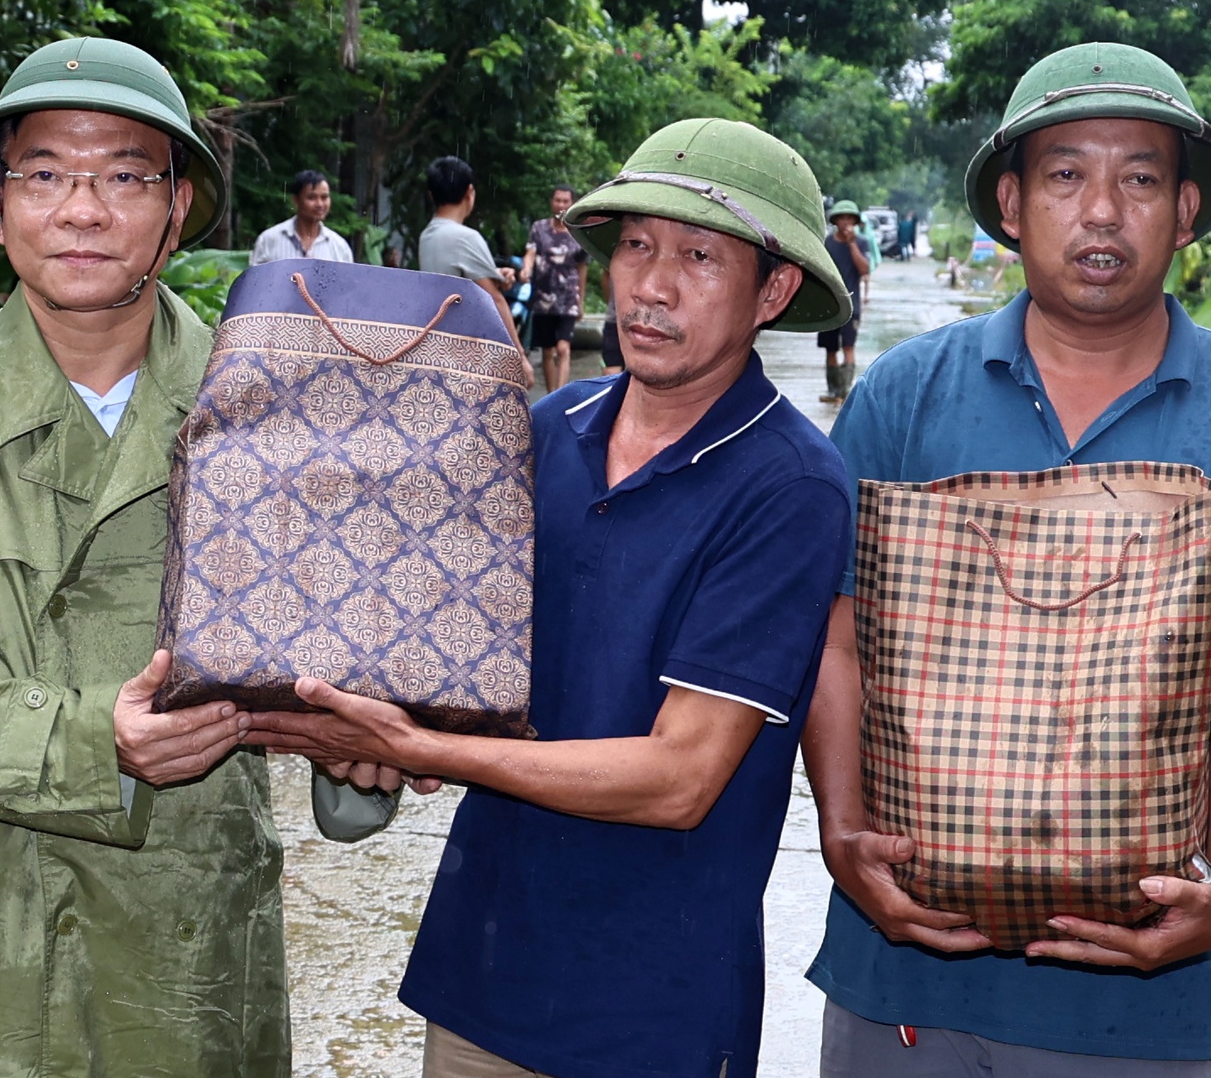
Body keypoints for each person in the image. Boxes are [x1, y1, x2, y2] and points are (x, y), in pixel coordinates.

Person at [0, 37, 388, 1078]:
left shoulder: (270, 408)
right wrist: (88, 741)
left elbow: (345, 665)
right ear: (2, 199)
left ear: (176, 209)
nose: (81, 208)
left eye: (125, 175)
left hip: (185, 935)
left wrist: (363, 745)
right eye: (44, 173)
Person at [250, 118, 857, 1077]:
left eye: (699, 256)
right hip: (481, 972)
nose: (651, 285)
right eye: (636, 247)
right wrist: (351, 716)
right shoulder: (541, 426)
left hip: (652, 1007)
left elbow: (681, 777)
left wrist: (420, 747)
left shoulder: (790, 485)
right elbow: (443, 645)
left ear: (773, 290)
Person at [803, 42, 1211, 1076]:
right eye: (1064, 175)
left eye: (1138, 178)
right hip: (900, 982)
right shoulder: (903, 394)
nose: (1100, 210)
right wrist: (841, 833)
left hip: (1131, 1006)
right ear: (1008, 205)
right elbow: (834, 633)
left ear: (1184, 212)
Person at [418, 155, 525, 352]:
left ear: (431, 195)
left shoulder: (427, 235)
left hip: (436, 339)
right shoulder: (465, 237)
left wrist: (495, 275)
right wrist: (518, 354)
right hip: (464, 346)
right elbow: (494, 299)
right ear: (469, 192)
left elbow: (456, 276)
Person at [520, 184, 590, 391]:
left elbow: (582, 269)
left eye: (565, 201)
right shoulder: (539, 228)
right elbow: (530, 253)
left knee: (563, 348)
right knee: (547, 351)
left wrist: (581, 301)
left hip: (567, 299)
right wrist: (526, 270)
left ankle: (561, 393)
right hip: (543, 298)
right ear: (552, 202)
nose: (561, 204)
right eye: (557, 200)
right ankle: (552, 396)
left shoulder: (578, 233)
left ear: (572, 203)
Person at [820, 200, 870, 404]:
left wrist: (851, 244)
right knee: (830, 348)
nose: (846, 222)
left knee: (848, 347)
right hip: (828, 304)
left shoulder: (862, 243)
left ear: (855, 221)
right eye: (842, 218)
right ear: (835, 221)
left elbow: (865, 269)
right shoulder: (827, 243)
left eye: (850, 218)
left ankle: (845, 390)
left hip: (852, 305)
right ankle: (833, 390)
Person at [250, 169, 354, 264]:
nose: (320, 204)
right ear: (296, 200)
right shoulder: (268, 240)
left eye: (324, 197)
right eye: (311, 197)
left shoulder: (340, 247)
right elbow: (255, 282)